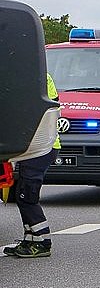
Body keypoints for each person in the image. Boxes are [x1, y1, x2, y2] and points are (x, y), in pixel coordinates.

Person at [4, 74, 61, 258]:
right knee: (22, 193)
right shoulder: (36, 74)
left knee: (27, 195)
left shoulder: (36, 77)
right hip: (38, 145)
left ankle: (43, 242)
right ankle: (30, 239)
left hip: (40, 146)